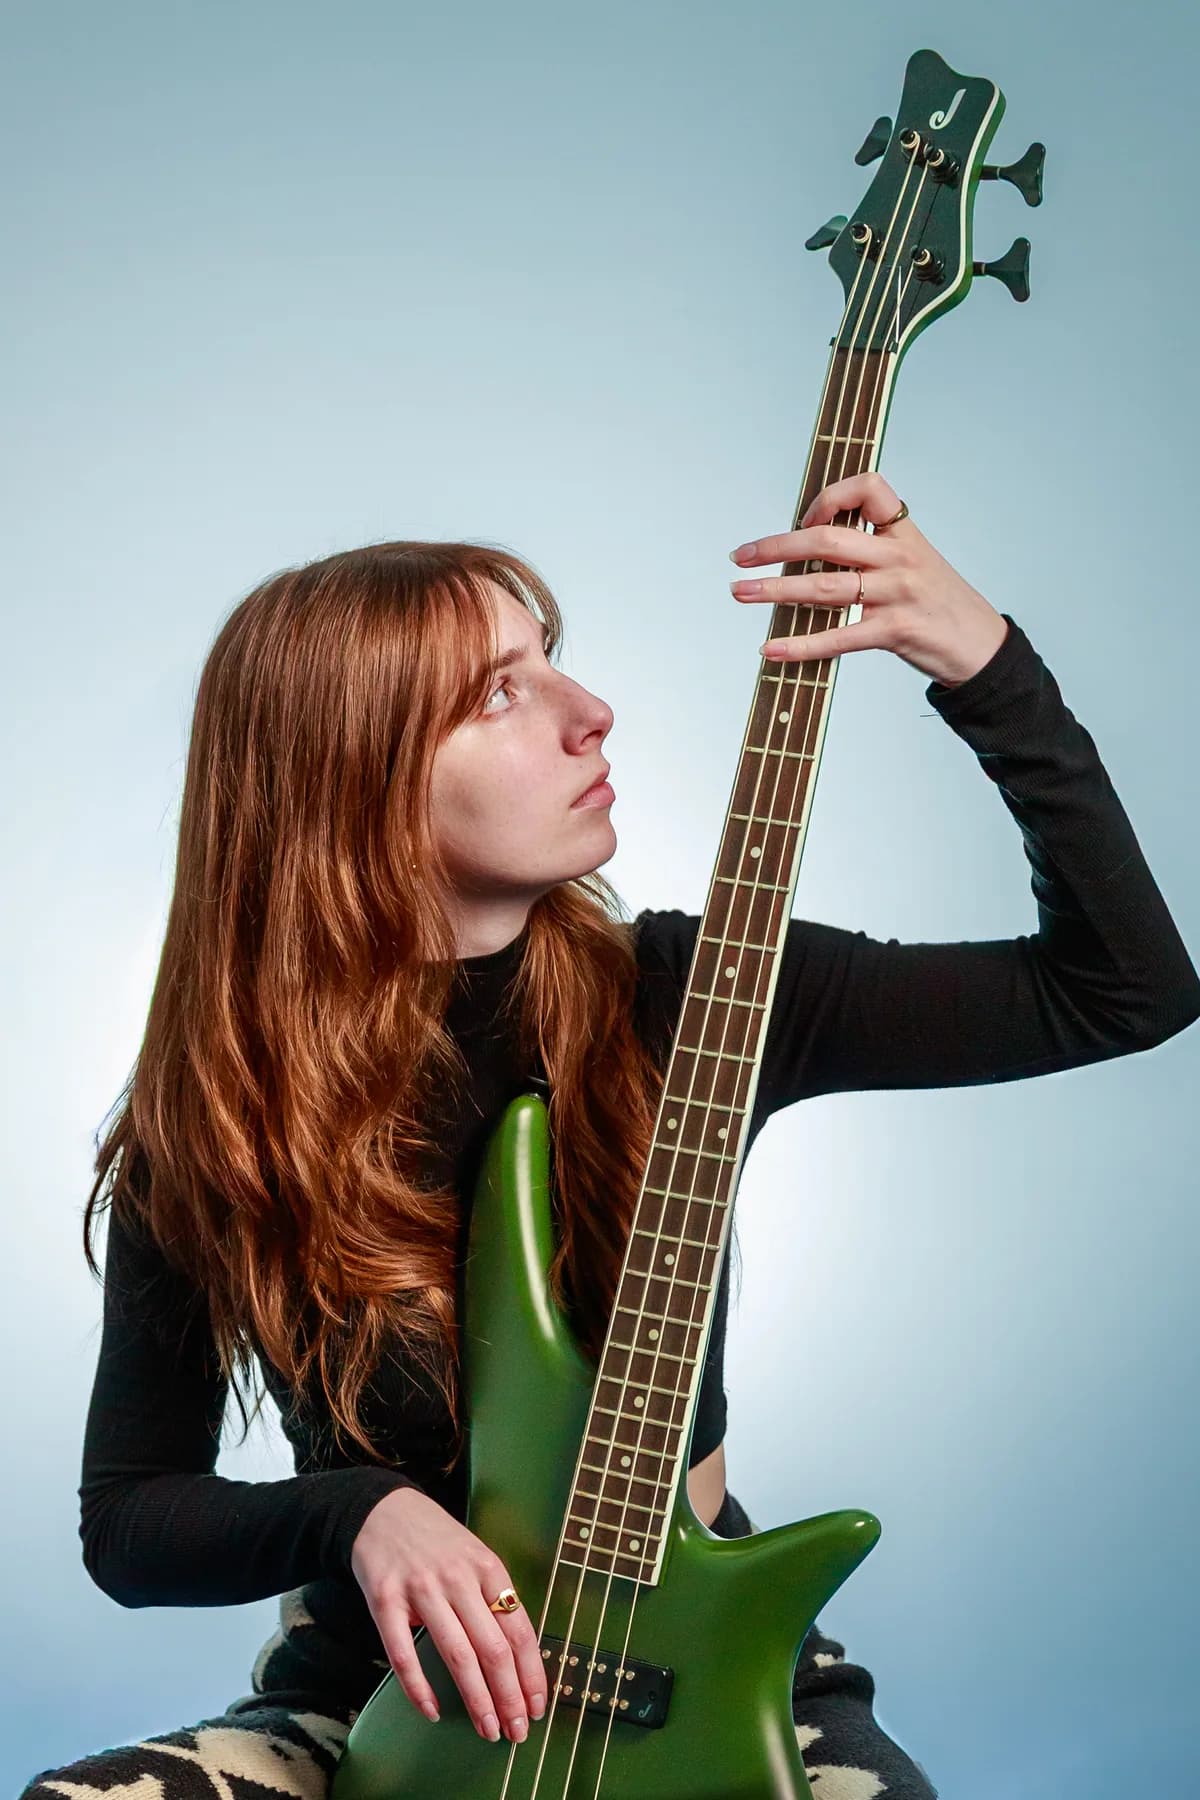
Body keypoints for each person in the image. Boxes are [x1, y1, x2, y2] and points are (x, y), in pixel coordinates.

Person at [19, 471, 1199, 1800]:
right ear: (351, 781)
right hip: (381, 1697)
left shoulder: (695, 993)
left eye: (553, 663)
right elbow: (130, 1521)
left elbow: (1126, 990)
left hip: (697, 1672)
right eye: (499, 695)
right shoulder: (222, 1119)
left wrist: (978, 659)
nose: (591, 716)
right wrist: (358, 1514)